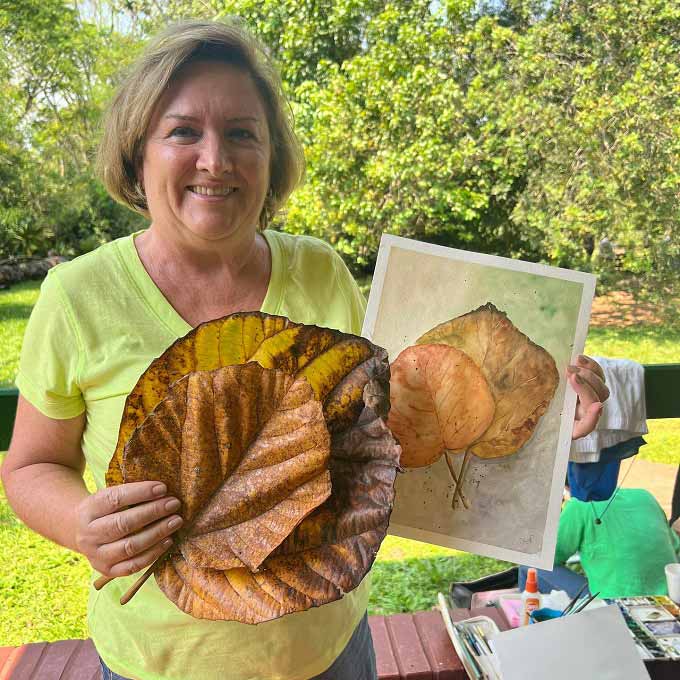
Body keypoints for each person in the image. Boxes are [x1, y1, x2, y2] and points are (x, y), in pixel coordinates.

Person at [0, 18, 608, 680]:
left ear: (272, 156)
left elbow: (391, 432)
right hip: (159, 662)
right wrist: (81, 520)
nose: (216, 159)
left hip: (329, 653)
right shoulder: (77, 297)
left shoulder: (320, 272)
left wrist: (548, 426)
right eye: (183, 131)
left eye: (242, 133)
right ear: (136, 153)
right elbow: (31, 467)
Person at [519, 487, 680, 599]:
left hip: (613, 606)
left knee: (528, 565)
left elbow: (545, 558)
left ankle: (522, 624)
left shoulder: (579, 505)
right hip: (668, 597)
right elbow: (675, 547)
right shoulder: (645, 496)